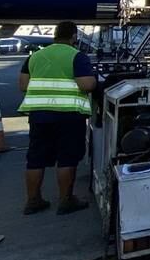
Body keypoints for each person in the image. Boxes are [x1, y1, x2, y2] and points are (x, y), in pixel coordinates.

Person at [17, 21, 96, 215]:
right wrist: (95, 81)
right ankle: (66, 200)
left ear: (55, 35)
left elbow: (23, 85)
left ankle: (33, 200)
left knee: (35, 158)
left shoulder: (35, 56)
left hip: (39, 115)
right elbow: (86, 84)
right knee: (67, 158)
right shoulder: (76, 56)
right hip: (68, 115)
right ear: (74, 37)